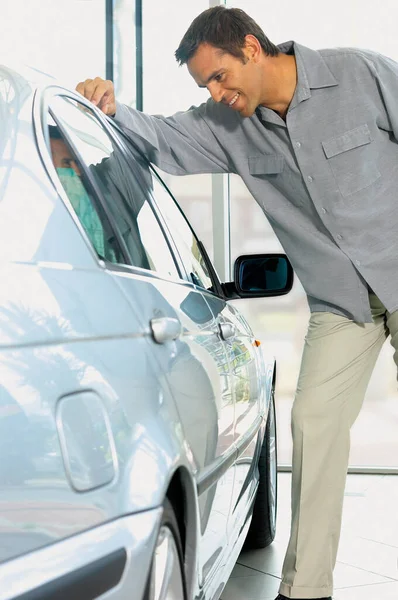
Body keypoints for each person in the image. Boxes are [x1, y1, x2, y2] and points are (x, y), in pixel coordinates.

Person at [76, 6, 398, 600]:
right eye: (205, 86)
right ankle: (305, 591)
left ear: (252, 48)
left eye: (219, 77)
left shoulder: (361, 75)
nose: (216, 94)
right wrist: (110, 105)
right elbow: (160, 137)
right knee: (313, 422)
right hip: (342, 303)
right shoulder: (229, 125)